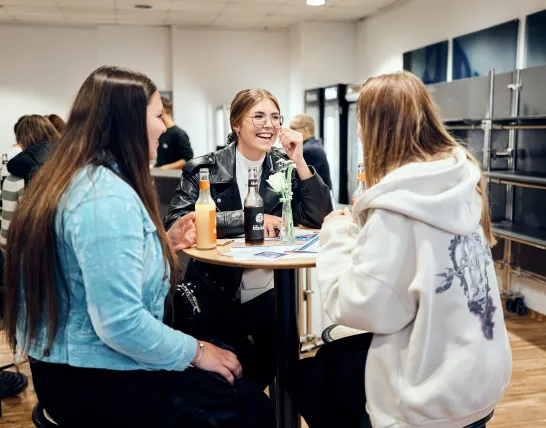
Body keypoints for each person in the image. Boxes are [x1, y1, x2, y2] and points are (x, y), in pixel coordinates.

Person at [2, 66, 275, 428]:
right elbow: (119, 322)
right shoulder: (104, 195)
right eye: (157, 114)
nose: (164, 127)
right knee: (250, 407)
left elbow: (93, 265)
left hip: (62, 369)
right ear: (127, 121)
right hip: (90, 381)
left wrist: (164, 242)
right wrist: (197, 352)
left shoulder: (72, 177)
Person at [286, 71, 512, 428]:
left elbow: (359, 306)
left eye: (361, 122)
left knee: (307, 376)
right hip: (479, 381)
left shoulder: (397, 207)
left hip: (430, 398)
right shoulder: (461, 182)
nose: (359, 133)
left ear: (376, 128)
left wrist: (336, 234)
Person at [165, 88, 333, 391]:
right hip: (213, 293)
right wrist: (248, 219)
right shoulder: (203, 168)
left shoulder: (285, 166)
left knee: (262, 378)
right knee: (220, 387)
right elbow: (178, 223)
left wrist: (300, 161)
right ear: (236, 124)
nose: (268, 124)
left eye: (274, 117)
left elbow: (318, 218)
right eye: (258, 116)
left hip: (269, 296)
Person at [1, 115, 59, 246]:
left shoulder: (14, 178)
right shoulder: (68, 169)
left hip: (31, 253)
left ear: (22, 141)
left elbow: (6, 236)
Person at [290, 114, 332, 189]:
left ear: (305, 130)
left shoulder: (308, 150)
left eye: (293, 129)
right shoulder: (314, 145)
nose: (289, 132)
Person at [156, 97, 194, 170]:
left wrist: (164, 168)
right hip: (160, 177)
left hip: (174, 179)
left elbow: (188, 159)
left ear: (162, 111)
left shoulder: (179, 134)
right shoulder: (162, 133)